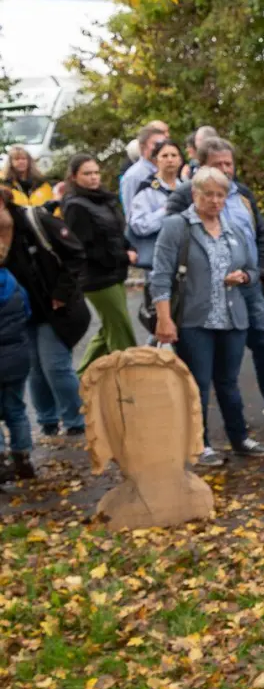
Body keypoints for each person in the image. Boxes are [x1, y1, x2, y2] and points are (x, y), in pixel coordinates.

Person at [150, 167, 264, 466]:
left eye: (220, 195)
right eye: (208, 195)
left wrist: (244, 276)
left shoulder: (233, 228)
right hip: (194, 320)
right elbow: (161, 276)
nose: (215, 201)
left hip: (232, 319)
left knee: (228, 382)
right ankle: (199, 444)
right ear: (195, 195)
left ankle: (239, 437)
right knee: (198, 383)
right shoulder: (178, 227)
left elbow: (256, 270)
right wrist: (165, 320)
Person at [168, 137, 264, 420]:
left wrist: (259, 273)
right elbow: (172, 244)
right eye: (218, 164)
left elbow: (260, 235)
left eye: (229, 163)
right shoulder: (183, 196)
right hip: (204, 293)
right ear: (201, 167)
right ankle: (200, 424)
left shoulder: (243, 195)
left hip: (247, 286)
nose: (226, 169)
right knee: (211, 360)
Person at [2, 183, 86, 439]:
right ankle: (47, 420)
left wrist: (62, 292)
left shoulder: (34, 220)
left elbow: (75, 254)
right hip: (19, 312)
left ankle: (75, 419)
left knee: (55, 365)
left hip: (53, 307)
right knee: (35, 368)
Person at [60, 155, 138, 370]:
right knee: (122, 334)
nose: (94, 177)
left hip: (115, 273)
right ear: (74, 177)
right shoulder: (76, 206)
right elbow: (84, 249)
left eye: (96, 172)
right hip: (98, 279)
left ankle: (82, 377)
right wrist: (123, 256)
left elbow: (116, 232)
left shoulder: (103, 198)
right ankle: (131, 379)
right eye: (87, 173)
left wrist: (129, 247)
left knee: (110, 329)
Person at [127, 139, 184, 274]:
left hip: (184, 258)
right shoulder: (148, 189)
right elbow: (139, 225)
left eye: (174, 155)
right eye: (164, 156)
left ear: (180, 160)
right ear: (156, 160)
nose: (170, 160)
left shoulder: (186, 188)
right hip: (157, 261)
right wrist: (165, 211)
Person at [0, 260, 31, 485]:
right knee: (16, 408)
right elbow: (26, 314)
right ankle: (23, 458)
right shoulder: (14, 283)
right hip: (17, 358)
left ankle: (0, 461)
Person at [118, 123, 167, 217]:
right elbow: (131, 214)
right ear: (142, 147)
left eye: (164, 144)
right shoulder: (133, 176)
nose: (161, 148)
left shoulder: (167, 169)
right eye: (156, 144)